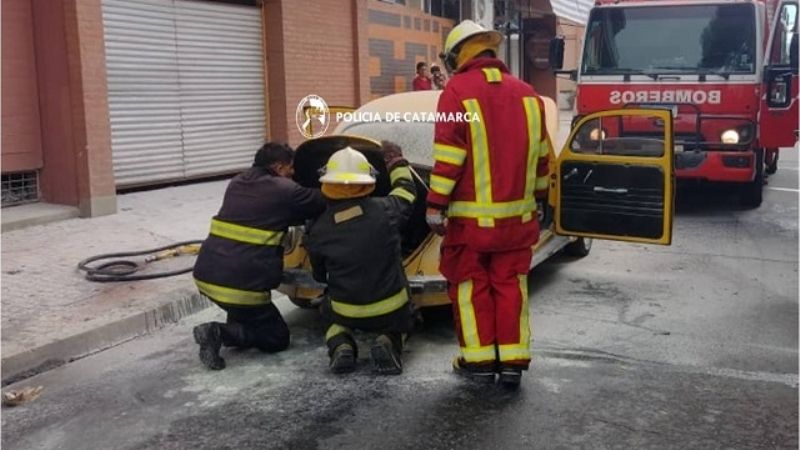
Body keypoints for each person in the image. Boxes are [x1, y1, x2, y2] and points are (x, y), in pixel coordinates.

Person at [426, 20, 551, 388]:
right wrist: (541, 200)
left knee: (470, 288)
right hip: (518, 222)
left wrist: (434, 205)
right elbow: (543, 157)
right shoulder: (529, 94)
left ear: (457, 55)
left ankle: (478, 362)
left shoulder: (456, 92)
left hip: (470, 226)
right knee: (511, 287)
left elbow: (449, 157)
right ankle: (512, 362)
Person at [192, 142, 326, 370]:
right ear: (278, 166)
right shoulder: (285, 190)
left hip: (207, 275)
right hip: (242, 285)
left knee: (246, 315)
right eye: (290, 168)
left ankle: (232, 329)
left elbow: (270, 213)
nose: (293, 173)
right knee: (277, 339)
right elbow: (321, 201)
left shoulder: (236, 182)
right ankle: (219, 332)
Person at [306, 141, 417, 375]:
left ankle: (341, 343)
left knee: (327, 312)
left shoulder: (319, 228)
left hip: (346, 310)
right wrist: (396, 161)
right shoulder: (386, 209)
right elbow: (406, 191)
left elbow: (319, 276)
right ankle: (389, 340)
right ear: (367, 181)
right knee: (408, 317)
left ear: (328, 183)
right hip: (392, 307)